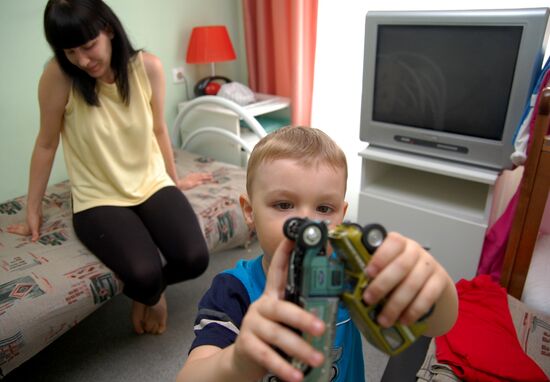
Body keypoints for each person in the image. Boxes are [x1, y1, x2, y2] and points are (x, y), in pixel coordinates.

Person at [176, 126, 459, 382]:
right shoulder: (233, 290)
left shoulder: (348, 275)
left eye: (324, 209)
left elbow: (436, 326)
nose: (308, 225)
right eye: (284, 204)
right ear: (250, 212)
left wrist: (433, 283)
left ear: (342, 215)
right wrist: (238, 361)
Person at [7, 0, 212, 335]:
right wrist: (33, 209)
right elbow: (46, 144)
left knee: (194, 259)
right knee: (144, 274)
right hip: (97, 197)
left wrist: (175, 181)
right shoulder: (59, 77)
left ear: (109, 30)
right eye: (70, 52)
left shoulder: (148, 68)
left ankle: (149, 292)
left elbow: (159, 129)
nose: (82, 61)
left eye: (88, 46)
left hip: (151, 182)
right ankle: (152, 294)